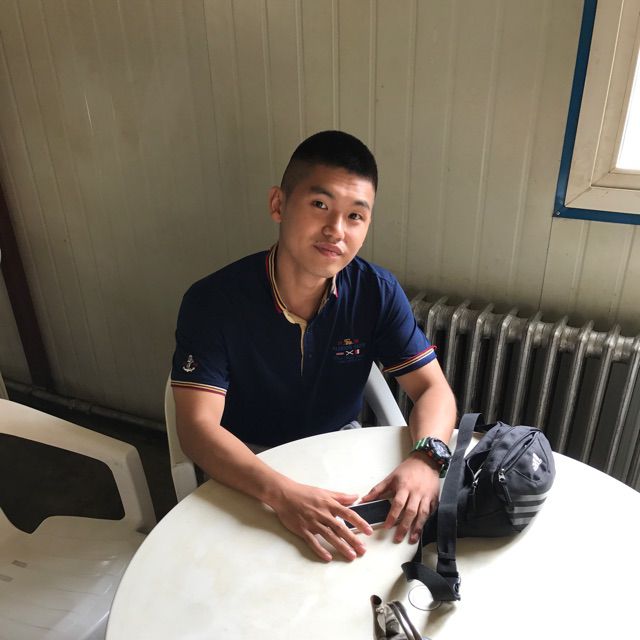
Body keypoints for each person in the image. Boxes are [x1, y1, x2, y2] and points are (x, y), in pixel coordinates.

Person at [171, 130, 457, 562]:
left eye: (355, 216)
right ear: (278, 204)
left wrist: (426, 459)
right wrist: (282, 494)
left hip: (338, 451)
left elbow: (433, 389)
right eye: (320, 205)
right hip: (250, 463)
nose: (335, 231)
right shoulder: (213, 301)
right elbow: (197, 429)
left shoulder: (376, 292)